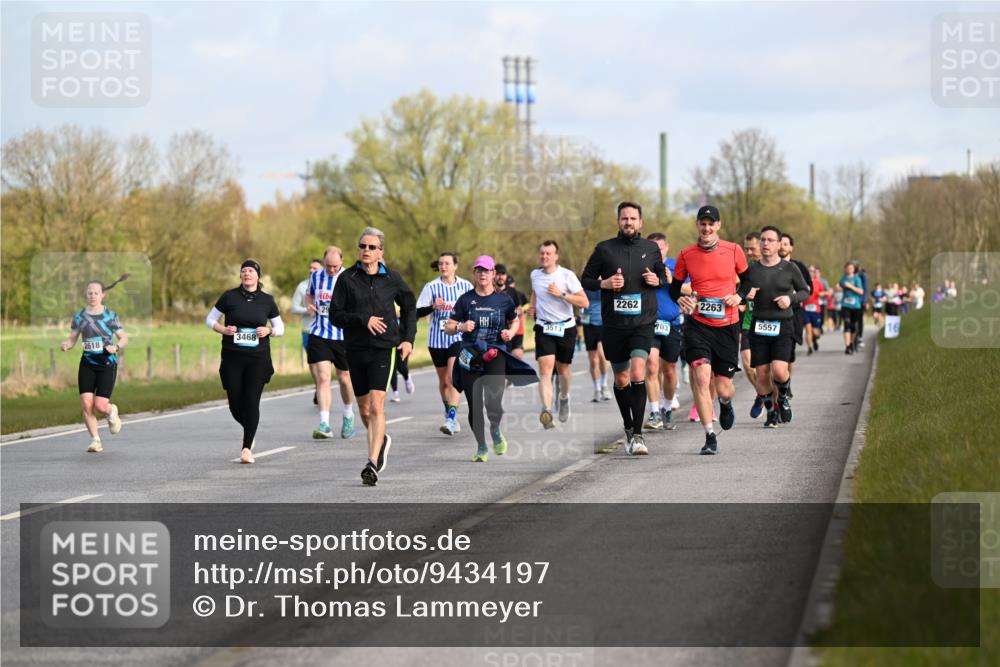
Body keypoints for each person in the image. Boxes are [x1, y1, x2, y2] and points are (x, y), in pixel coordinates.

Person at [329, 228, 416, 487]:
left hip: (383, 348)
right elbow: (335, 315)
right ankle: (382, 439)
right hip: (355, 349)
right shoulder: (347, 279)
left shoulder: (392, 279)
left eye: (371, 247)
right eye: (362, 246)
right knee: (365, 411)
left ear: (381, 252)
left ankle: (371, 462)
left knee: (377, 406)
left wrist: (407, 338)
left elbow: (409, 306)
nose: (365, 250)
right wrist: (362, 319)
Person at [581, 201, 667, 455]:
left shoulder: (651, 249)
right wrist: (605, 283)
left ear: (641, 222)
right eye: (624, 218)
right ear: (618, 221)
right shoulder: (604, 249)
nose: (628, 222)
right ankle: (629, 427)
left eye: (633, 218)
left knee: (638, 371)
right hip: (615, 325)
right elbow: (585, 279)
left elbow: (663, 278)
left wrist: (656, 279)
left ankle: (639, 436)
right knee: (621, 378)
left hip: (642, 322)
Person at [670, 205, 751, 455]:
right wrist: (681, 300)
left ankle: (725, 403)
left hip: (727, 326)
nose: (706, 228)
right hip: (698, 326)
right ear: (698, 225)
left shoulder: (734, 250)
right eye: (702, 223)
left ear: (718, 225)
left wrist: (738, 297)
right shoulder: (686, 254)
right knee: (702, 376)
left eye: (711, 223)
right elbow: (674, 288)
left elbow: (748, 281)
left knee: (724, 387)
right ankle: (709, 435)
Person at [447, 256, 538, 462]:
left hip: (495, 353)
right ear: (474, 273)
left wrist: (511, 333)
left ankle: (495, 430)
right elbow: (448, 326)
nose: (483, 274)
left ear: (493, 274)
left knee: (493, 403)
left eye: (486, 271)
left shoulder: (504, 300)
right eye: (479, 270)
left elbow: (515, 321)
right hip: (470, 355)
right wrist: (461, 327)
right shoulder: (465, 299)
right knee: (474, 405)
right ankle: (481, 446)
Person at [206, 260, 284, 464]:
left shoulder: (267, 300)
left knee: (251, 401)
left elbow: (280, 328)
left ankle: (247, 448)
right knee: (234, 402)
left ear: (258, 276)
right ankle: (251, 428)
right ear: (240, 276)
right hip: (232, 356)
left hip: (258, 358)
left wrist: (269, 331)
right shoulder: (229, 297)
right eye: (244, 271)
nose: (247, 273)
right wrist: (223, 329)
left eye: (251, 271)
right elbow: (210, 319)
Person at [745, 227, 811, 428]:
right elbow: (739, 291)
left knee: (779, 372)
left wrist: (790, 298)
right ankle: (771, 413)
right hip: (759, 325)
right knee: (762, 373)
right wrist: (745, 294)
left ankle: (782, 398)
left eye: (770, 240)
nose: (766, 244)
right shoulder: (752, 270)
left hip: (783, 324)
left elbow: (805, 291)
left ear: (778, 244)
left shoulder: (790, 268)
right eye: (763, 240)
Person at [59, 276, 129, 453]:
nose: (92, 295)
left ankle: (111, 411)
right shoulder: (80, 316)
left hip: (106, 362)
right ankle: (95, 440)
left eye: (96, 293)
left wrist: (117, 347)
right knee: (86, 403)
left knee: (99, 405)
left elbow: (124, 338)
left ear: (102, 295)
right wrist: (67, 344)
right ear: (86, 295)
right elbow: (73, 338)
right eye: (89, 292)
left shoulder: (110, 316)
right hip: (87, 363)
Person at [530, 240, 588, 428]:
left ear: (556, 256)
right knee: (545, 369)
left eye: (548, 253)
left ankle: (563, 397)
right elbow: (535, 293)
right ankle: (546, 410)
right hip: (544, 327)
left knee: (563, 369)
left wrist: (561, 294)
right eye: (542, 253)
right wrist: (532, 306)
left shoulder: (567, 275)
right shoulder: (535, 275)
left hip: (565, 327)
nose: (544, 256)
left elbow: (584, 302)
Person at [416, 252, 472, 434]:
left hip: (457, 338)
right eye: (441, 264)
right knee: (444, 381)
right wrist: (432, 307)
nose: (444, 267)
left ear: (455, 266)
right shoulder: (431, 287)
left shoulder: (466, 286)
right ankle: (448, 411)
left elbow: (475, 308)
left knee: (452, 376)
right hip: (436, 340)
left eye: (447, 264)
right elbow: (417, 313)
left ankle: (451, 418)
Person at [305, 247, 356, 439]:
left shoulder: (351, 278)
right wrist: (309, 304)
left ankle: (348, 414)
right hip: (320, 334)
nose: (331, 270)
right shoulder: (316, 276)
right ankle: (324, 423)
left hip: (343, 336)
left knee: (344, 378)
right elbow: (309, 294)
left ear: (342, 261)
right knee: (324, 378)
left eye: (335, 266)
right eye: (328, 266)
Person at [644, 232, 687, 431]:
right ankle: (654, 412)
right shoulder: (641, 266)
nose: (656, 252)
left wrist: (673, 281)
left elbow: (691, 288)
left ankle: (667, 409)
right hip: (648, 323)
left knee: (669, 370)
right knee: (652, 367)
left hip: (672, 323)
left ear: (666, 247)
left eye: (659, 248)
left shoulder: (676, 265)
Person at [290, 258, 323, 404]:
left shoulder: (327, 285)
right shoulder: (302, 286)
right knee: (313, 363)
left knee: (323, 362)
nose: (311, 270)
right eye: (310, 268)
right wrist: (306, 310)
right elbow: (293, 308)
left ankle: (322, 386)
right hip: (308, 330)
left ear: (322, 270)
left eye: (315, 268)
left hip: (324, 330)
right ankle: (319, 386)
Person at [740, 231, 764, 418]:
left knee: (769, 369)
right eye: (746, 249)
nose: (749, 252)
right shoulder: (745, 269)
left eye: (752, 249)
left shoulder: (775, 267)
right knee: (748, 365)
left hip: (770, 322)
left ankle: (775, 399)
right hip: (749, 323)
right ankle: (762, 393)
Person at [580, 285, 611, 402]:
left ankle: (604, 384)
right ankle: (597, 388)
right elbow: (579, 303)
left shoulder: (607, 284)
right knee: (593, 360)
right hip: (589, 325)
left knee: (603, 356)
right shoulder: (584, 286)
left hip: (604, 325)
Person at [496, 271, 529, 361]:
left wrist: (522, 311)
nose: (511, 285)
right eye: (509, 284)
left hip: (518, 329)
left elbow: (526, 305)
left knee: (517, 356)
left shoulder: (519, 294)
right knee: (507, 355)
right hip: (505, 329)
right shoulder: (499, 293)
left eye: (512, 283)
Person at [839, 262, 865, 354]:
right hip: (845, 305)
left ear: (854, 269)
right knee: (846, 324)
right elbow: (840, 285)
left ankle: (852, 342)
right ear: (845, 269)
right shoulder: (843, 278)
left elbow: (861, 292)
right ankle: (847, 346)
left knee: (853, 327)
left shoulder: (857, 278)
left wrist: (850, 286)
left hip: (856, 306)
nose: (849, 269)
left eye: (851, 268)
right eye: (848, 268)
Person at [802, 266, 825, 354]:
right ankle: (810, 348)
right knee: (808, 329)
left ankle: (814, 339)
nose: (811, 272)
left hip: (816, 310)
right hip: (805, 309)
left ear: (814, 273)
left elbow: (823, 292)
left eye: (812, 271)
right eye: (809, 271)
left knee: (815, 332)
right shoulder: (803, 282)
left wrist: (821, 293)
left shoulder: (818, 282)